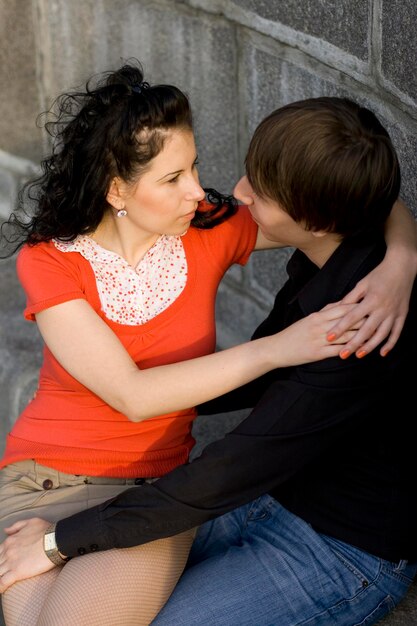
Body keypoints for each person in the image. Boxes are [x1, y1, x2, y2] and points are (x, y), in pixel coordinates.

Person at [1, 95, 416, 626]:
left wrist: (60, 542)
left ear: (311, 216)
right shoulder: (325, 258)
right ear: (116, 190)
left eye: (259, 191)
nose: (229, 193)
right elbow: (145, 395)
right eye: (174, 177)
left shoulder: (356, 325)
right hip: (261, 495)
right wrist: (403, 257)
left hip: (340, 543)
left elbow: (234, 465)